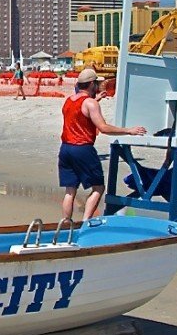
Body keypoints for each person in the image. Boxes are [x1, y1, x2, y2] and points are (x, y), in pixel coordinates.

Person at [59, 68, 146, 221]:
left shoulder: (69, 101)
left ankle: (66, 223)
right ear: (92, 84)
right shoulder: (91, 104)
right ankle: (86, 222)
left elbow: (80, 111)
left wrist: (96, 100)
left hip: (65, 149)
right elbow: (103, 128)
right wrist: (129, 131)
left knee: (70, 190)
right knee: (98, 187)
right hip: (83, 149)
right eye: (97, 83)